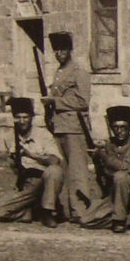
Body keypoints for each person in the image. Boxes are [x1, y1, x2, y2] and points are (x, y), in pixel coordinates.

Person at [0, 98, 63, 226]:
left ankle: (47, 211)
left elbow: (54, 161)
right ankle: (30, 211)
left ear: (32, 117)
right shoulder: (9, 136)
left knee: (55, 171)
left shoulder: (43, 134)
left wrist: (31, 155)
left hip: (44, 182)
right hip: (25, 184)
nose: (22, 121)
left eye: (25, 117)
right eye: (18, 117)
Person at [44, 31, 92, 221]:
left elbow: (83, 101)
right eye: (56, 50)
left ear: (70, 50)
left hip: (75, 127)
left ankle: (80, 211)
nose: (59, 53)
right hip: (59, 127)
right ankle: (63, 208)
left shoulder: (79, 72)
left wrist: (55, 102)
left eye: (63, 49)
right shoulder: (59, 73)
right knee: (61, 169)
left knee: (78, 170)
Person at [81, 105, 130, 232]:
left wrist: (103, 156)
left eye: (123, 127)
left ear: (129, 126)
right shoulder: (109, 145)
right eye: (115, 127)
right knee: (87, 220)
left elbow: (127, 168)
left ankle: (119, 220)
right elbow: (106, 172)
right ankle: (128, 218)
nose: (119, 131)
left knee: (121, 176)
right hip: (116, 193)